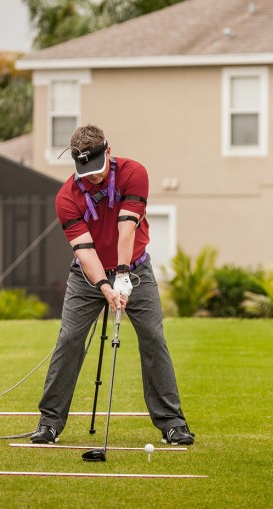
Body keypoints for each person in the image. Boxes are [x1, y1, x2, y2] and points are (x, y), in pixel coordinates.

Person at [31, 124, 195, 446]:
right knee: (70, 340)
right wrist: (106, 286)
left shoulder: (135, 173)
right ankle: (50, 422)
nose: (92, 177)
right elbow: (84, 249)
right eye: (85, 171)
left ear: (108, 152)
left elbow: (126, 229)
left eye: (97, 168)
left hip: (135, 268)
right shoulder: (67, 196)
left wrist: (122, 275)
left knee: (152, 337)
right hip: (86, 276)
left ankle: (172, 424)